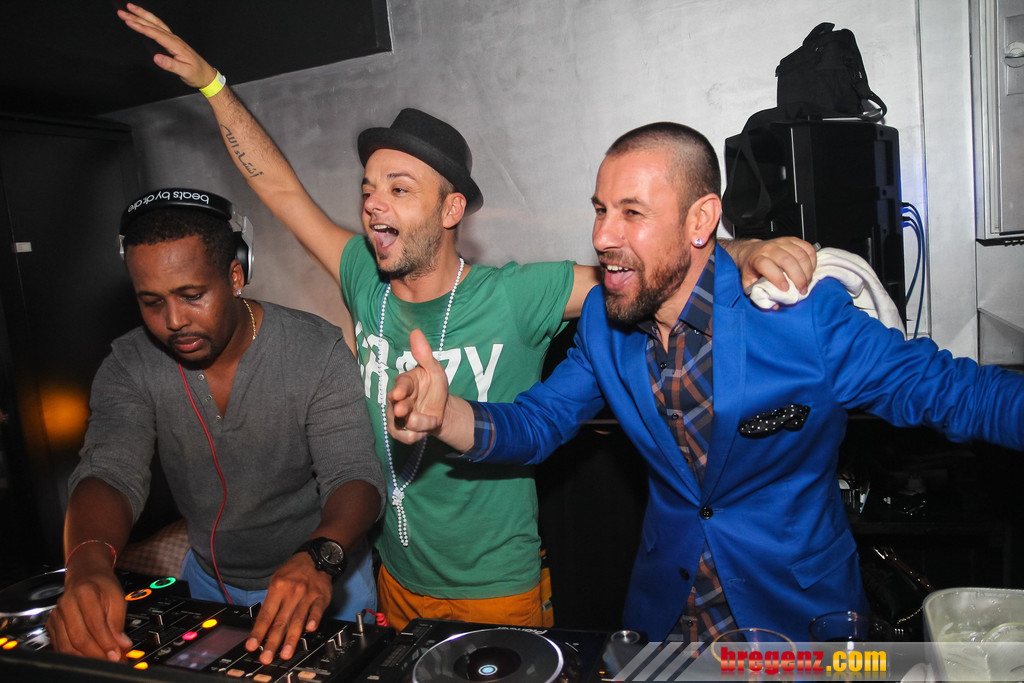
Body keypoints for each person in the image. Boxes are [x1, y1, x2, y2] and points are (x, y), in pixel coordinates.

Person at [117, 4, 820, 631]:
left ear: (451, 208)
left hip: (496, 590)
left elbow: (651, 269)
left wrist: (741, 248)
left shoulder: (517, 294)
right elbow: (280, 190)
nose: (373, 203)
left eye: (399, 188)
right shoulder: (363, 275)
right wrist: (214, 86)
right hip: (392, 577)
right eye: (368, 188)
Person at [386, 122, 1024, 643]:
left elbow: (956, 392)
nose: (603, 235)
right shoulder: (605, 326)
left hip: (799, 624)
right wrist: (448, 416)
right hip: (668, 621)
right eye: (601, 210)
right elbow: (538, 422)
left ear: (700, 221)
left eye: (632, 213)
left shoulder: (801, 316)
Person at [46, 189, 385, 665]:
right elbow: (109, 471)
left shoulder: (315, 351)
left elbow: (354, 474)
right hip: (208, 585)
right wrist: (86, 565)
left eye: (192, 296)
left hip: (324, 577)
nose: (173, 321)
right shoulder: (130, 365)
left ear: (235, 275)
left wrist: (320, 556)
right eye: (151, 302)